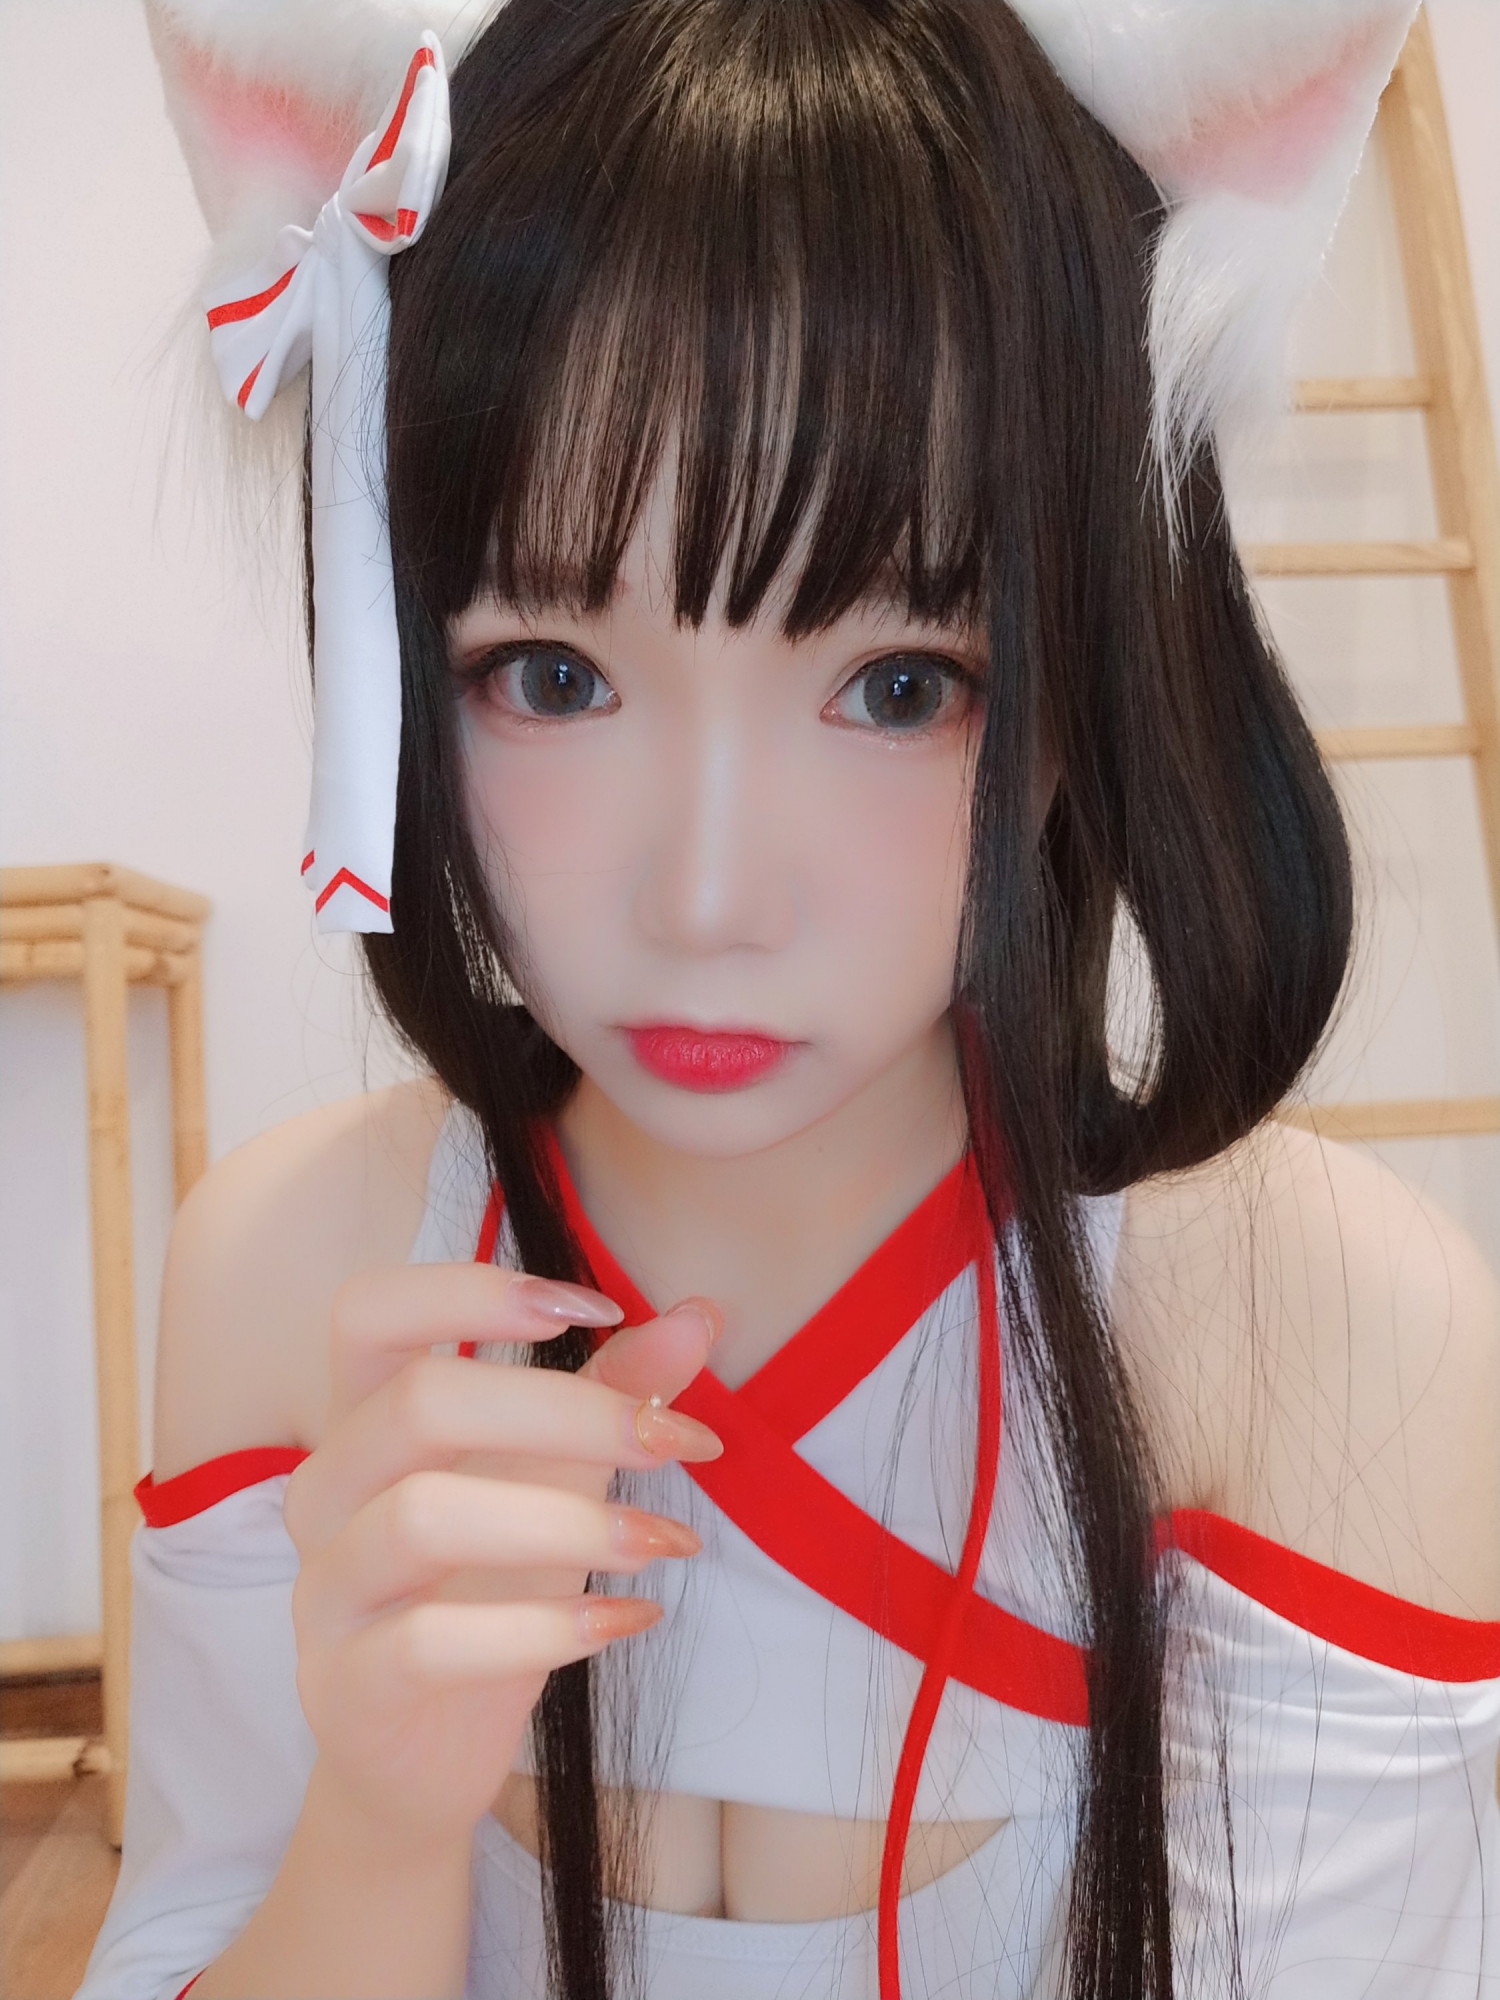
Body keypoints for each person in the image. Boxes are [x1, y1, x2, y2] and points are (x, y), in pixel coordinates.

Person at [81, 2, 1500, 1996]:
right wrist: (379, 1822)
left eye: (900, 685)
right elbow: (181, 1933)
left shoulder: (1315, 1325)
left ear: (1091, 672)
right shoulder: (292, 1271)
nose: (708, 899)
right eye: (552, 676)